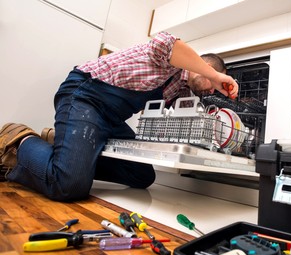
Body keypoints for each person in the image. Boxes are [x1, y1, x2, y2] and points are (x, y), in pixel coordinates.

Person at [0, 31, 238, 201]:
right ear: (206, 67)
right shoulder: (174, 60)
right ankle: (20, 143)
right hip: (85, 96)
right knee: (68, 186)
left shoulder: (182, 91)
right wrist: (217, 77)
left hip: (110, 117)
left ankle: (66, 149)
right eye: (213, 84)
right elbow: (168, 43)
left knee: (143, 175)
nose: (211, 91)